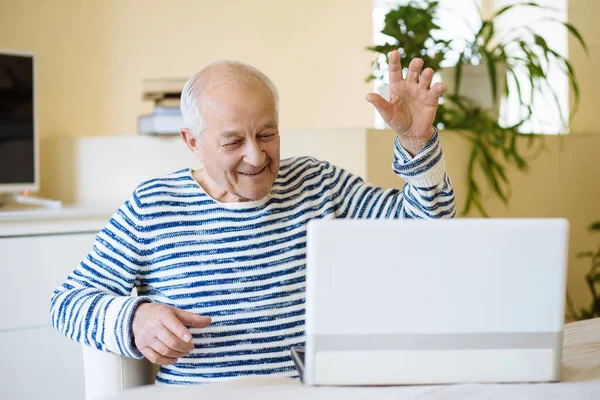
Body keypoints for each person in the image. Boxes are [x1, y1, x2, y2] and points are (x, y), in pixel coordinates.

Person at [50, 50, 456, 385]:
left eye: (267, 134)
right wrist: (134, 318)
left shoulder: (316, 182)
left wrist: (416, 142)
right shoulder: (152, 206)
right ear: (193, 142)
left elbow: (424, 232)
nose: (256, 156)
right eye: (232, 141)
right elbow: (66, 302)